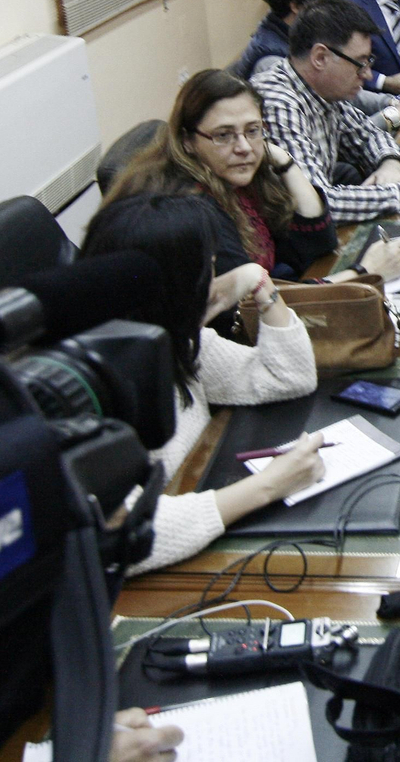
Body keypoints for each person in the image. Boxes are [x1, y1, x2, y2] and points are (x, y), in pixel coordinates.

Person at [79, 195, 326, 576]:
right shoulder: (92, 389)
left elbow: (287, 377)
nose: (214, 281)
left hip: (194, 507)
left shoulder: (173, 338)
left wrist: (256, 281)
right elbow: (120, 535)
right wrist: (270, 486)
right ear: (174, 284)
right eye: (208, 269)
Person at [101, 68, 400, 283]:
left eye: (253, 130)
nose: (244, 147)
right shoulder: (191, 210)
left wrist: (285, 162)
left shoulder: (239, 180)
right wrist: (364, 271)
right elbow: (259, 308)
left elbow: (318, 242)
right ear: (187, 142)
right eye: (223, 135)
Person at [254, 0, 400, 223]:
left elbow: (368, 134)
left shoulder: (324, 90)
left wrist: (390, 162)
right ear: (320, 57)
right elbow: (317, 204)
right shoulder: (278, 103)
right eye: (360, 63)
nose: (367, 74)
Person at [231, 0, 400, 132]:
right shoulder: (271, 65)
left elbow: (344, 102)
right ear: (295, 6)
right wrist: (396, 111)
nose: (329, 6)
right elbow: (340, 136)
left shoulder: (297, 35)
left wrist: (393, 102)